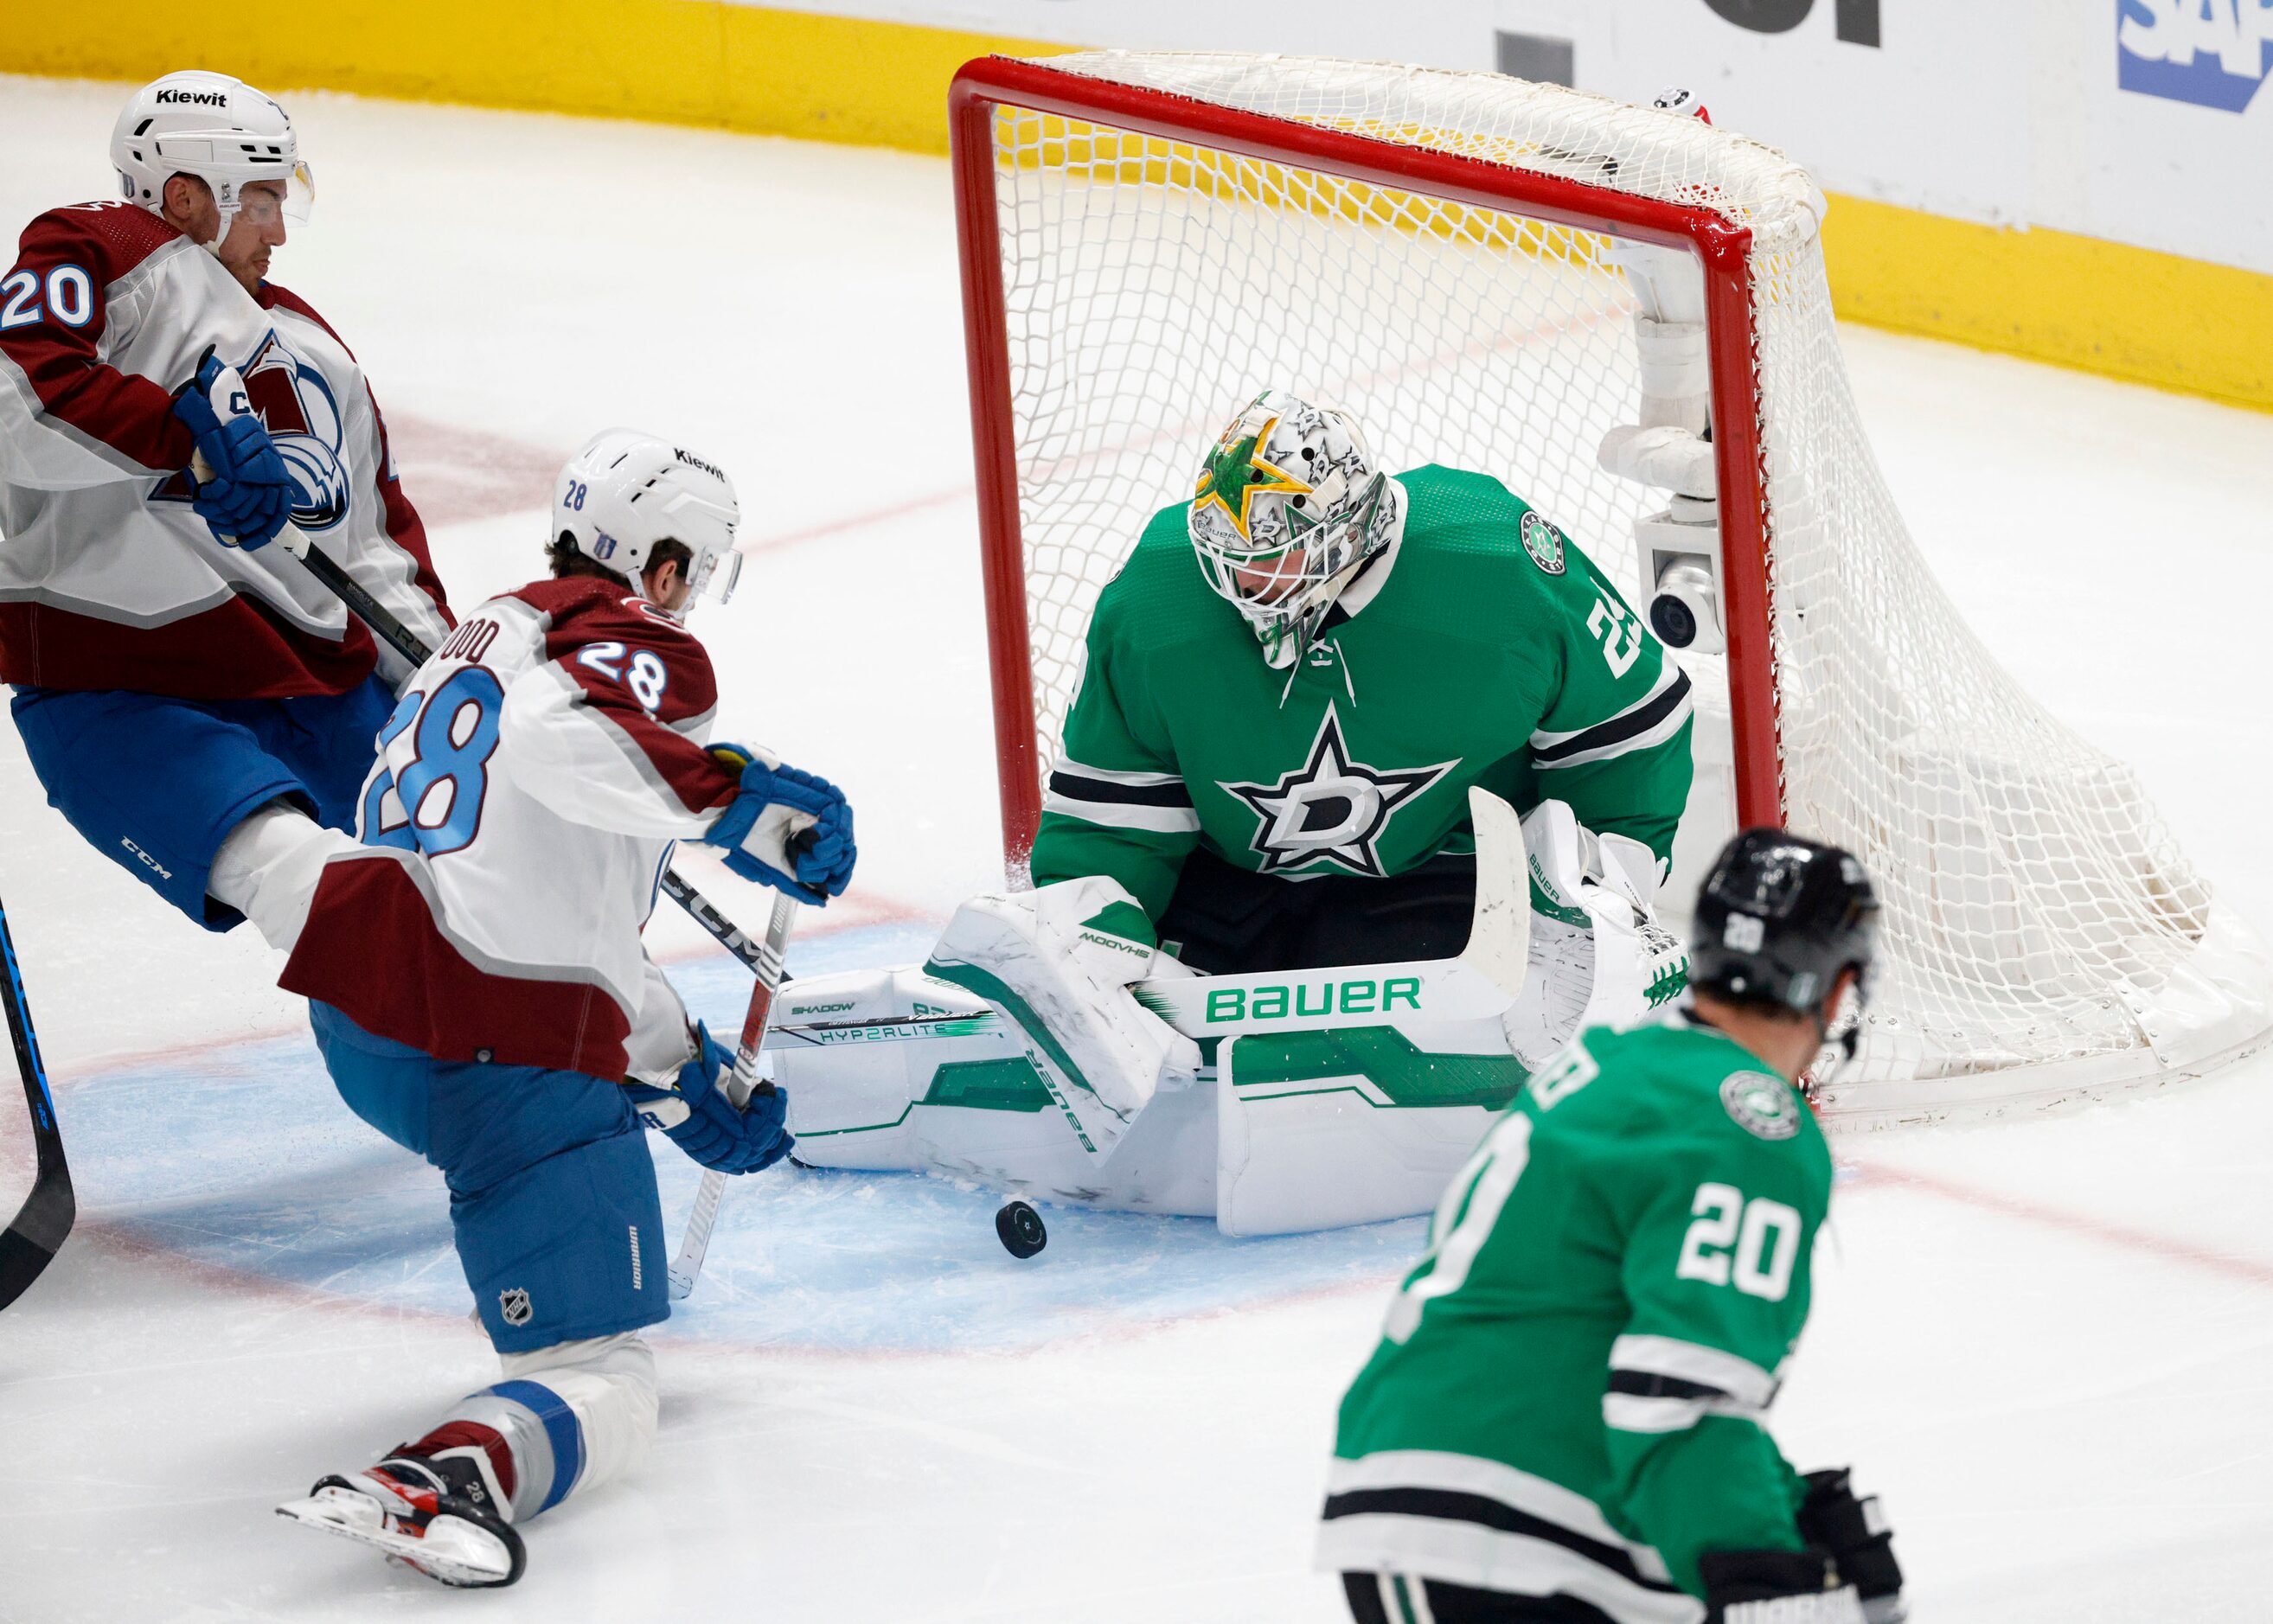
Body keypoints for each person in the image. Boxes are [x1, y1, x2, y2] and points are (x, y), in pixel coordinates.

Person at [757, 389, 1694, 1225]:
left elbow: (1634, 726)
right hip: (1241, 892)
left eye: (1270, 562)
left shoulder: (1490, 550)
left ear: (1346, 533)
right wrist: (1101, 943)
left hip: (1439, 883)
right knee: (1091, 973)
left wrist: (1604, 876)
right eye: (1230, 558)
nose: (1240, 586)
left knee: (1533, 973)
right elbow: (1114, 817)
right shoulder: (1161, 595)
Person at [248, 431, 855, 1586]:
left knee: (551, 1067)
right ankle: (440, 1478)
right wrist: (749, 808)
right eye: (697, 575)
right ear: (666, 568)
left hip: (361, 1011)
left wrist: (682, 1074)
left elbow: (552, 921)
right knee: (608, 1378)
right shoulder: (636, 643)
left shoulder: (483, 634)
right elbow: (559, 742)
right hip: (483, 1045)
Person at [1317, 828, 1905, 1624]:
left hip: (1452, 1492)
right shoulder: (1748, 1120)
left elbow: (1596, 1341)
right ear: (1837, 993)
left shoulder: (1618, 1067)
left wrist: (1778, 1503)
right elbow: (1677, 1397)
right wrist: (1766, 1570)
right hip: (1510, 1523)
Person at [0, 70, 448, 945]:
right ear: (186, 195)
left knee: (487, 878)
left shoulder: (320, 348)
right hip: (127, 686)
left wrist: (448, 682)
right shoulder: (102, 243)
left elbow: (373, 548)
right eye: (262, 202)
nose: (280, 232)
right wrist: (184, 440)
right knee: (329, 902)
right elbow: (18, 396)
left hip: (324, 683)